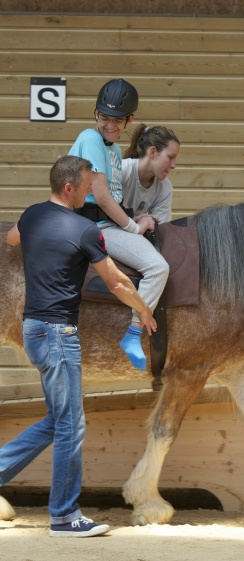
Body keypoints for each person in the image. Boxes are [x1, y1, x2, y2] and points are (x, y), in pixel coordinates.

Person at [1, 156, 157, 537]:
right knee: (71, 426)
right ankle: (64, 516)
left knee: (58, 421)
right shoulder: (85, 229)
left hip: (34, 331)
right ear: (69, 188)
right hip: (58, 336)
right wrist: (144, 311)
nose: (92, 192)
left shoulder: (33, 215)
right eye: (87, 186)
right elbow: (118, 282)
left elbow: (12, 239)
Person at [68, 79, 169, 372]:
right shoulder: (90, 138)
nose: (110, 125)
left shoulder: (111, 150)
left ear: (129, 120)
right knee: (158, 267)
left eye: (117, 120)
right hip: (92, 227)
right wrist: (133, 228)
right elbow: (99, 196)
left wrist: (134, 218)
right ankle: (134, 333)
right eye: (105, 118)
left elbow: (112, 199)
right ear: (95, 114)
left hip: (103, 223)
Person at [121, 123, 180, 224]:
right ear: (152, 152)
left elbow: (161, 229)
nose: (174, 165)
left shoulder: (165, 187)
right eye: (170, 157)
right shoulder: (122, 169)